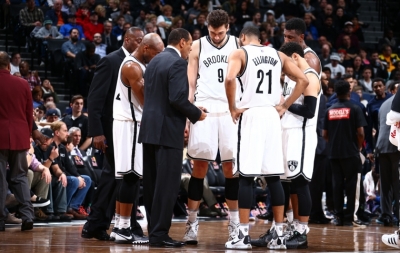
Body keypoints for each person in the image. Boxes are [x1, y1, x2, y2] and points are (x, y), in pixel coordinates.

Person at [224, 27, 309, 250]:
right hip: (272, 115)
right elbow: (302, 80)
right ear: (261, 39)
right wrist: (285, 105)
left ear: (242, 38)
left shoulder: (239, 53)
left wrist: (233, 107)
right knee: (274, 177)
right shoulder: (278, 55)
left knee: (245, 177)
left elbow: (230, 78)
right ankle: (279, 236)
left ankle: (242, 236)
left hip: (250, 113)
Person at [138, 28, 207, 247]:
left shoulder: (154, 62)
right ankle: (160, 234)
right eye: (189, 45)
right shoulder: (178, 63)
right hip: (167, 131)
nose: (190, 49)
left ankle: (154, 233)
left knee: (152, 185)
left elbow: (159, 97)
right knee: (167, 186)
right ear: (182, 42)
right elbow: (177, 98)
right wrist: (197, 113)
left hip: (149, 129)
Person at [81, 27, 144, 241]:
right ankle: (126, 226)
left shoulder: (139, 64)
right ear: (126, 39)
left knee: (114, 177)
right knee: (125, 176)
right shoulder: (111, 61)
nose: (141, 44)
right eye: (138, 40)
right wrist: (96, 133)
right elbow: (95, 99)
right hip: (111, 130)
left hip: (128, 129)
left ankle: (97, 224)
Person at [184, 9, 240, 245]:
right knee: (199, 168)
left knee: (231, 170)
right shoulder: (197, 45)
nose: (216, 37)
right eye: (212, 32)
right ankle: (191, 224)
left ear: (227, 27)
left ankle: (235, 225)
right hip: (204, 110)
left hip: (229, 111)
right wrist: (189, 114)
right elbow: (190, 82)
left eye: (219, 33)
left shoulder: (238, 44)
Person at [112, 33, 164, 244]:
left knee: (128, 177)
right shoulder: (132, 66)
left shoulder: (138, 65)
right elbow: (146, 102)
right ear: (146, 49)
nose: (159, 57)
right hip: (131, 124)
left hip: (130, 123)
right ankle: (123, 227)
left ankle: (119, 226)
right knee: (132, 176)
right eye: (157, 53)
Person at [277, 42, 321, 249]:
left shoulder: (311, 77)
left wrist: (284, 104)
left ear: (295, 57)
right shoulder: (291, 77)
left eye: (285, 63)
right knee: (289, 183)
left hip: (301, 135)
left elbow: (310, 111)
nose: (284, 69)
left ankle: (302, 231)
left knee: (301, 182)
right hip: (286, 132)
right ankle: (292, 227)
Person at [323, 80, 367, 226]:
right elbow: (361, 133)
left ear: (335, 92)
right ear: (349, 91)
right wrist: (359, 147)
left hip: (333, 153)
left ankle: (338, 216)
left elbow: (325, 134)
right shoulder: (355, 108)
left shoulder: (330, 110)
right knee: (352, 185)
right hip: (351, 152)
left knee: (337, 185)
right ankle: (350, 218)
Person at [0, 51, 35, 231]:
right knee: (20, 177)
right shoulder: (23, 84)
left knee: (0, 179)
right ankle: (28, 216)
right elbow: (29, 114)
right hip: (20, 135)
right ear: (8, 65)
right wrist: (27, 134)